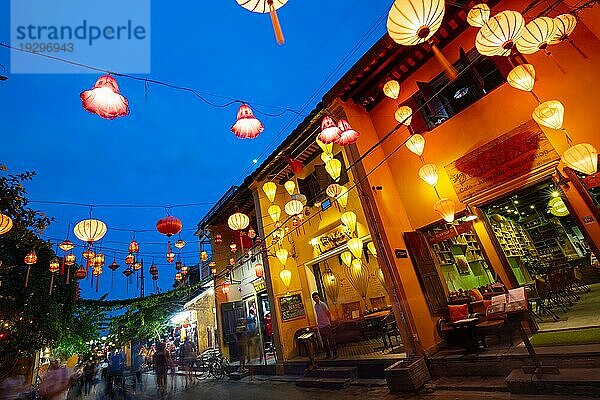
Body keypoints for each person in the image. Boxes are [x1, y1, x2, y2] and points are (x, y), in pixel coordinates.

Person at [312, 292, 337, 359]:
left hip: (326, 324)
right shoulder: (315, 306)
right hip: (320, 326)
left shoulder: (323, 304)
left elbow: (328, 312)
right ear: (313, 299)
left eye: (317, 297)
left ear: (319, 297)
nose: (316, 298)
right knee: (324, 341)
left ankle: (335, 354)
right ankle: (328, 354)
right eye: (315, 298)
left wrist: (329, 321)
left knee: (331, 339)